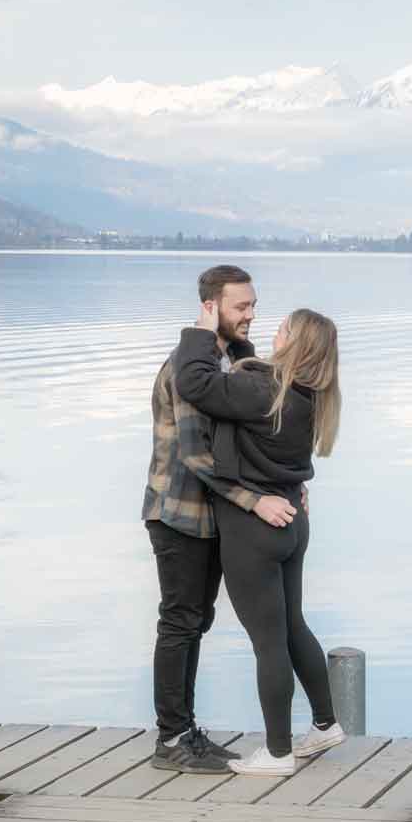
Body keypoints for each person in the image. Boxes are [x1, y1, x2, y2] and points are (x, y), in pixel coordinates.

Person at [175, 300, 343, 777]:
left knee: (267, 642)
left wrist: (201, 332)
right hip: (293, 521)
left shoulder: (263, 389)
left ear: (295, 342)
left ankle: (277, 752)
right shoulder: (309, 396)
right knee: (292, 626)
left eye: (283, 328)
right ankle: (326, 723)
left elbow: (195, 384)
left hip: (254, 530)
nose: (274, 332)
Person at [141, 265, 299, 774]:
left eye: (253, 305)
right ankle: (171, 739)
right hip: (178, 513)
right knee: (181, 621)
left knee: (198, 621)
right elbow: (196, 454)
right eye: (241, 307)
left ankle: (188, 732)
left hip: (213, 517)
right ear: (211, 308)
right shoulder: (188, 367)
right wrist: (255, 502)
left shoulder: (233, 359)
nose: (251, 315)